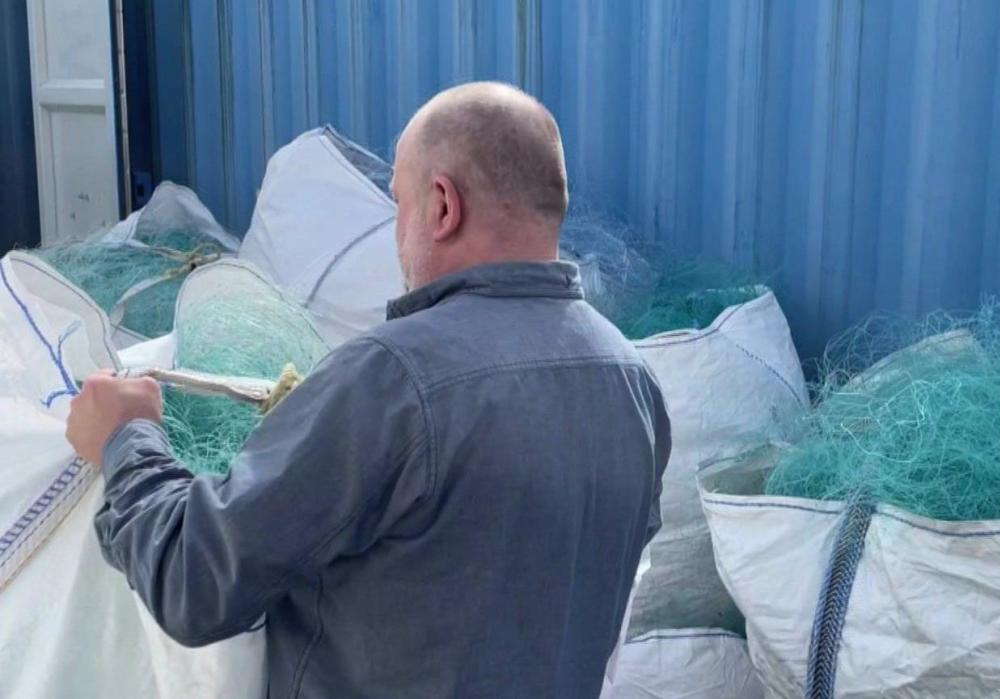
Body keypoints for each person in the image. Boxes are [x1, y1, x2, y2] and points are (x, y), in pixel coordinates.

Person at [66, 81, 671, 698]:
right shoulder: (633, 382)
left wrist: (126, 438)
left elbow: (194, 580)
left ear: (441, 205)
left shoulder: (393, 380)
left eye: (398, 205)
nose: (398, 232)